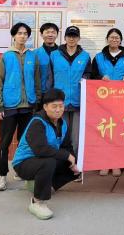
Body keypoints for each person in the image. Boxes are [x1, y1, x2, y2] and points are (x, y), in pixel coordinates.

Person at [12, 88, 79, 220]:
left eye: (61, 106)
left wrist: (74, 162)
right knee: (49, 162)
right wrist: (67, 156)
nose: (58, 110)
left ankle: (45, 186)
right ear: (45, 107)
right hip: (24, 163)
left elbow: (67, 146)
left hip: (43, 160)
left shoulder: (63, 124)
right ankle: (37, 202)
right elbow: (40, 149)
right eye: (54, 106)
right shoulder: (37, 122)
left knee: (74, 165)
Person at [0, 22, 41, 192]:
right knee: (4, 142)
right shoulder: (6, 56)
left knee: (25, 141)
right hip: (9, 106)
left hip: (28, 106)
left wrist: (37, 101)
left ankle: (20, 170)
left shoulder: (32, 56)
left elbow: (36, 81)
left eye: (25, 33)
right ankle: (1, 175)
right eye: (19, 33)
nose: (23, 36)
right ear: (14, 35)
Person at [92, 27, 124, 177]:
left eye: (117, 38)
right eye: (111, 37)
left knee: (119, 132)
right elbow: (93, 75)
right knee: (105, 132)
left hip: (122, 101)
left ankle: (117, 163)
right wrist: (100, 78)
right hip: (102, 101)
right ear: (107, 39)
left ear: (121, 40)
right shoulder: (98, 57)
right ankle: (105, 162)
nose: (114, 40)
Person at [50, 26, 91, 160]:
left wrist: (84, 79)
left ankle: (76, 162)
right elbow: (50, 77)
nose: (72, 38)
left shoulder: (85, 56)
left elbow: (88, 75)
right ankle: (62, 162)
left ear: (78, 38)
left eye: (74, 36)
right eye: (69, 36)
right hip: (60, 101)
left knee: (76, 136)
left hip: (78, 100)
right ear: (65, 38)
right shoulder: (54, 55)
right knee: (60, 133)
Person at [33, 23, 59, 109]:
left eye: (53, 32)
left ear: (57, 35)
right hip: (40, 94)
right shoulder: (34, 54)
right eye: (47, 32)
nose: (50, 35)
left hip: (58, 92)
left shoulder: (63, 53)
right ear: (41, 34)